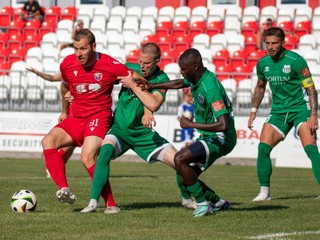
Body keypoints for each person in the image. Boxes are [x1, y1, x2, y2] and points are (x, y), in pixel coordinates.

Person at [80, 42, 198, 213]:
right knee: (104, 152)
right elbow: (100, 77)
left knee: (180, 162)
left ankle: (187, 199)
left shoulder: (162, 79)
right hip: (120, 129)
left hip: (143, 134)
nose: (142, 66)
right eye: (140, 62)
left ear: (157, 61)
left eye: (147, 63)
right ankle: (93, 203)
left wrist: (146, 108)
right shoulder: (128, 68)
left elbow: (154, 102)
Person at [42, 29, 142, 214]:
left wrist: (149, 99)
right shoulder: (67, 64)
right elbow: (65, 85)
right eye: (76, 48)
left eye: (83, 49)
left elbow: (136, 79)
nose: (79, 54)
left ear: (93, 47)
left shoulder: (109, 64)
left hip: (99, 117)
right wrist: (64, 111)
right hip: (76, 117)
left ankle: (111, 204)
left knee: (87, 157)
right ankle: (64, 189)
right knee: (48, 142)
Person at [135, 48, 237, 217]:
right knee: (184, 176)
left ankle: (203, 205)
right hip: (208, 137)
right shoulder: (195, 78)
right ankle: (218, 202)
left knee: (179, 158)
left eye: (184, 69)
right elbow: (178, 83)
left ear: (195, 66)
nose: (181, 72)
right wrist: (152, 85)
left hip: (220, 138)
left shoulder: (210, 87)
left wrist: (191, 124)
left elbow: (223, 124)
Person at [248, 27, 320, 201]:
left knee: (311, 148)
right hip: (278, 112)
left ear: (282, 43)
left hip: (300, 110)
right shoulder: (263, 63)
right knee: (262, 148)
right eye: (268, 43)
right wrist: (253, 111)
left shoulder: (295, 61)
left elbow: (310, 89)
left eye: (274, 43)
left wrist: (313, 115)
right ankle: (264, 193)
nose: (271, 46)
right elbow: (260, 87)